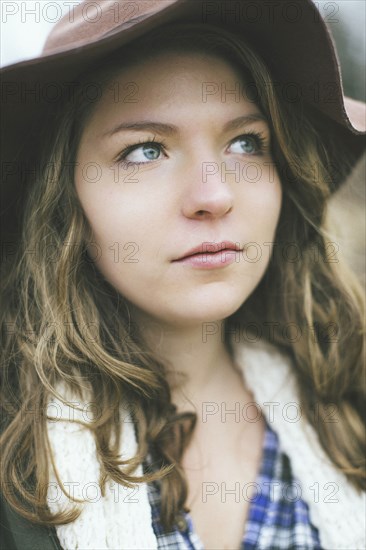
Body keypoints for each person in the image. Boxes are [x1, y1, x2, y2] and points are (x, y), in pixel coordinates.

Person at [0, 1, 365, 549]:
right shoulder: (15, 452)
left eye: (245, 143)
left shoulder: (348, 401)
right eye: (145, 150)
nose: (214, 195)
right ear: (63, 197)